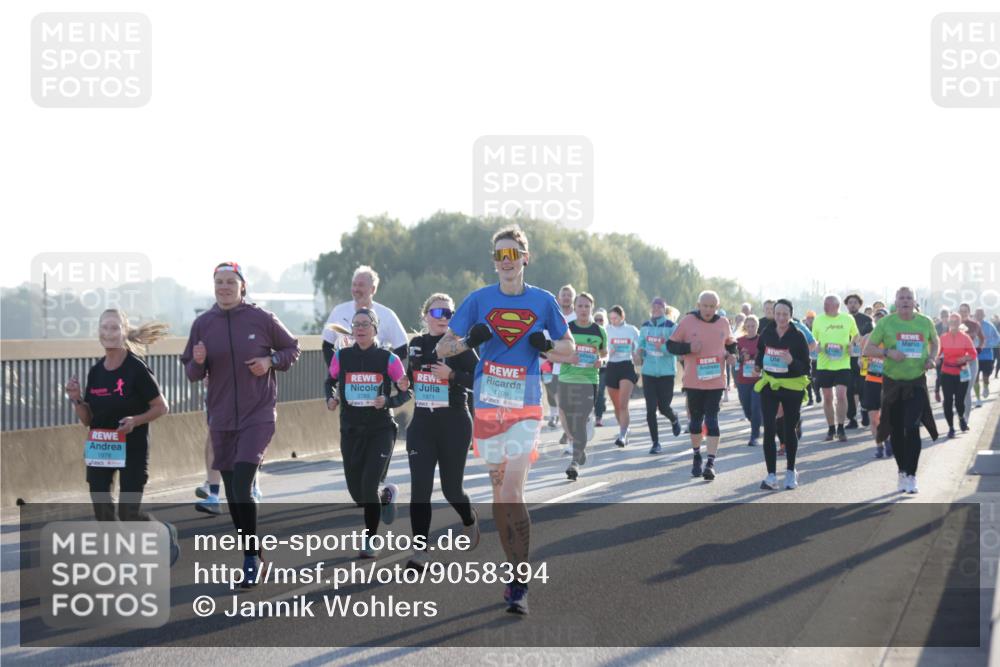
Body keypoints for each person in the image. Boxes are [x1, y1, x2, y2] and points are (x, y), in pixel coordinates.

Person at [435, 225, 573, 615]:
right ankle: (514, 570)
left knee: (512, 491)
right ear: (494, 261)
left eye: (513, 254)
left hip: (526, 405)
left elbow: (570, 351)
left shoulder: (543, 302)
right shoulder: (479, 300)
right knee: (500, 496)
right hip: (488, 406)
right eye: (500, 255)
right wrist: (467, 341)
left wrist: (546, 345)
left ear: (525, 258)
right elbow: (443, 347)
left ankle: (519, 581)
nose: (506, 261)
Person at [181, 262, 301, 585]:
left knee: (243, 484)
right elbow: (191, 372)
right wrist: (199, 360)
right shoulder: (203, 324)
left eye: (230, 282)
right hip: (221, 418)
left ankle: (249, 559)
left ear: (242, 286)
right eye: (218, 282)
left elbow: (292, 349)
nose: (224, 287)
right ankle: (254, 551)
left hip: (258, 414)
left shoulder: (261, 319)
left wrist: (270, 360)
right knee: (234, 492)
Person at [65, 309, 178, 564]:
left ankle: (163, 533)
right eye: (104, 328)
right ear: (98, 332)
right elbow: (88, 420)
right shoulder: (95, 372)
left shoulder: (136, 368)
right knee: (102, 508)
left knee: (129, 513)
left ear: (124, 331)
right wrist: (76, 399)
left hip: (133, 447)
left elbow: (162, 406)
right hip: (101, 447)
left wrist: (135, 421)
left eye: (114, 328)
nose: (108, 333)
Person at [401, 293, 481, 569]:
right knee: (419, 490)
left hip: (455, 422)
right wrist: (404, 382)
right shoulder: (417, 344)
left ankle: (468, 517)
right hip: (422, 423)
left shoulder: (461, 347)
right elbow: (413, 377)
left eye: (448, 313)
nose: (443, 318)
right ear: (425, 317)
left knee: (451, 490)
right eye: (437, 313)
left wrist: (453, 376)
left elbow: (480, 379)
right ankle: (420, 552)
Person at [328, 307, 411, 557]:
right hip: (351, 430)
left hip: (380, 430)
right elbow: (330, 381)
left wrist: (388, 401)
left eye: (365, 324)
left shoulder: (389, 359)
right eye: (356, 324)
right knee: (358, 493)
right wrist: (330, 398)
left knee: (368, 485)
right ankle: (386, 494)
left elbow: (405, 391)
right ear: (351, 330)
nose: (360, 328)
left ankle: (370, 540)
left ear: (375, 329)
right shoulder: (341, 357)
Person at [866, 287, 939, 494]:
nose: (905, 301)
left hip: (916, 382)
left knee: (912, 426)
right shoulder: (886, 323)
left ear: (914, 302)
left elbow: (936, 342)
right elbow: (868, 349)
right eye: (901, 298)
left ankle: (912, 475)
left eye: (909, 298)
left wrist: (932, 358)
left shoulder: (924, 322)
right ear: (896, 303)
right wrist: (888, 352)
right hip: (892, 384)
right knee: (897, 430)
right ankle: (902, 471)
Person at [667, 291, 737, 480]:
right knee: (696, 422)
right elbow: (671, 346)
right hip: (693, 381)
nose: (708, 309)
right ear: (698, 305)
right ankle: (697, 455)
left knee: (712, 420)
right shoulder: (688, 321)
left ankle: (711, 463)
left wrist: (732, 355)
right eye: (705, 306)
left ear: (717, 307)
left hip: (716, 381)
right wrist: (689, 348)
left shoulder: (723, 323)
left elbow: (731, 344)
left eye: (712, 306)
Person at [753, 300, 810, 490]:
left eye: (785, 314)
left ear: (791, 315)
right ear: (773, 314)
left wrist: (792, 361)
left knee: (788, 429)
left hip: (792, 387)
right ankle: (771, 476)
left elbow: (806, 368)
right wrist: (757, 365)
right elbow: (761, 352)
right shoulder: (767, 332)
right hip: (770, 385)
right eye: (778, 313)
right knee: (769, 428)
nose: (781, 317)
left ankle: (790, 471)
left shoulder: (798, 336)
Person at [549, 293, 607, 480]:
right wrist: (568, 358)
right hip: (566, 378)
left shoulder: (599, 331)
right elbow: (550, 355)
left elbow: (605, 354)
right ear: (574, 308)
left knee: (581, 419)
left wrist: (601, 361)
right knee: (567, 415)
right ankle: (579, 450)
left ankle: (574, 462)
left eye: (587, 306)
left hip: (589, 381)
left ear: (592, 308)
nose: (583, 310)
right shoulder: (567, 330)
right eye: (580, 306)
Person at [637, 297, 682, 454]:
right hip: (648, 372)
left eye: (659, 307)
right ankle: (655, 443)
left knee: (663, 407)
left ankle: (674, 418)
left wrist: (662, 347)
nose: (656, 309)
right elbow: (641, 343)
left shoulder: (671, 326)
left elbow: (676, 349)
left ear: (665, 309)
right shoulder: (645, 326)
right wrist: (640, 351)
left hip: (666, 373)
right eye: (654, 306)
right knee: (650, 409)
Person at [812, 295, 860, 442]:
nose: (825, 307)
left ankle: (841, 427)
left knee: (841, 395)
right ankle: (831, 427)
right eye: (824, 304)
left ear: (837, 306)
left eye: (828, 304)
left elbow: (857, 336)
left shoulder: (847, 319)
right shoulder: (818, 319)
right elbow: (813, 341)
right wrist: (817, 347)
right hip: (824, 364)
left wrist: (852, 345)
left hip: (842, 364)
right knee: (827, 397)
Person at [604, 305, 641, 447]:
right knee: (616, 405)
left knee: (623, 403)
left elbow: (639, 349)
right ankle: (624, 428)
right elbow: (601, 350)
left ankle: (622, 435)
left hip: (626, 366)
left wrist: (635, 353)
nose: (613, 321)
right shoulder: (606, 330)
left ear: (622, 317)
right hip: (611, 366)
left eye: (616, 318)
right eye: (611, 318)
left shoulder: (631, 330)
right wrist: (608, 353)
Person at [937, 313, 977, 438]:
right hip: (947, 373)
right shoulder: (943, 338)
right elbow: (937, 354)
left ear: (960, 323)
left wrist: (964, 358)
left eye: (956, 322)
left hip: (962, 373)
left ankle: (961, 418)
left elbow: (973, 354)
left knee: (959, 401)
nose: (953, 324)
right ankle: (951, 428)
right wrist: (935, 360)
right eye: (951, 321)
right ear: (948, 323)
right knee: (948, 401)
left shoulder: (965, 338)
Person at [860, 308, 888, 457]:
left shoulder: (891, 338)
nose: (879, 321)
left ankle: (888, 438)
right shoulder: (866, 338)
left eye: (882, 318)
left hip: (888, 381)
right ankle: (879, 445)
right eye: (876, 318)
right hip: (871, 380)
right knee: (873, 417)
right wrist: (862, 365)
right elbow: (863, 359)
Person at [845, 294, 874, 428]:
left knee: (864, 388)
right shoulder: (842, 320)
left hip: (864, 359)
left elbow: (873, 338)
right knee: (849, 390)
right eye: (850, 302)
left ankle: (865, 411)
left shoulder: (867, 319)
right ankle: (851, 419)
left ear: (860, 304)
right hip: (847, 360)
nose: (852, 305)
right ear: (846, 305)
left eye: (855, 302)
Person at [554, 285, 577, 451]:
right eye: (564, 295)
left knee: (575, 406)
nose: (566, 298)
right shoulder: (554, 316)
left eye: (569, 295)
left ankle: (574, 437)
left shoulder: (579, 316)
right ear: (558, 297)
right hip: (557, 367)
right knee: (562, 407)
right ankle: (570, 436)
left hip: (577, 368)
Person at [735, 315, 763, 447]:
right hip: (743, 379)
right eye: (749, 326)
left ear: (757, 327)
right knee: (747, 409)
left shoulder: (762, 340)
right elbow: (735, 359)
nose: (751, 328)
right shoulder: (739, 341)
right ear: (745, 327)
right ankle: (760, 424)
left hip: (759, 379)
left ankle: (754, 436)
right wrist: (741, 357)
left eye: (754, 326)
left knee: (756, 406)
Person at [957, 303, 984, 417]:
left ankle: (966, 418)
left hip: (972, 361)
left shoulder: (975, 324)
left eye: (965, 311)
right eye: (961, 311)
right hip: (961, 362)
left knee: (967, 389)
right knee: (962, 390)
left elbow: (982, 339)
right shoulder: (955, 324)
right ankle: (962, 415)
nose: (963, 313)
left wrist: (979, 349)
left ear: (969, 312)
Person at [975, 308, 999, 402]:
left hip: (987, 356)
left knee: (986, 377)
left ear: (984, 315)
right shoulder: (971, 326)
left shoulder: (989, 325)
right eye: (977, 314)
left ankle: (986, 386)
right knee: (975, 379)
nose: (979, 316)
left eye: (980, 314)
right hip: (975, 356)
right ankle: (978, 399)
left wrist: (988, 344)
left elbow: (997, 338)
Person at [592, 308, 609, 427]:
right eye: (596, 319)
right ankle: (601, 405)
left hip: (604, 367)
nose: (598, 321)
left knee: (600, 392)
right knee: (594, 393)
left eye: (601, 319)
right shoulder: (590, 331)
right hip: (590, 367)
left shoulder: (608, 332)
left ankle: (598, 417)